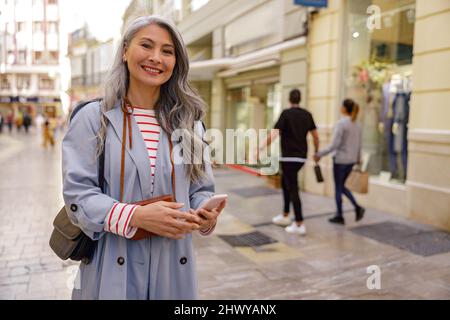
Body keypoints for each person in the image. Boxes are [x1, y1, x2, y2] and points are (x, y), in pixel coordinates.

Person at [62, 16, 226, 300]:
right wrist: (137, 216)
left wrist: (204, 214)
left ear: (176, 62)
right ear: (125, 51)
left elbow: (199, 190)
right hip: (112, 268)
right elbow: (78, 195)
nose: (156, 58)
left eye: (167, 51)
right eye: (146, 45)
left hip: (174, 270)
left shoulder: (191, 124)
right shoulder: (92, 118)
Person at [259, 89, 319, 235]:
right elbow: (315, 136)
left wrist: (260, 147)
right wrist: (317, 152)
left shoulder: (286, 114)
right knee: (286, 184)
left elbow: (274, 134)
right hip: (301, 158)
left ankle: (299, 223)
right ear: (300, 99)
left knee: (292, 188)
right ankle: (285, 215)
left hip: (288, 157)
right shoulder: (307, 114)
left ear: (289, 99)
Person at [314, 98, 365, 224]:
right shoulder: (357, 124)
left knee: (338, 188)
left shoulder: (341, 124)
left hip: (341, 161)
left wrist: (319, 154)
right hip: (351, 160)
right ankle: (355, 208)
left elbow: (334, 145)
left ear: (344, 108)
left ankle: (341, 215)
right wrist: (358, 158)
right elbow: (359, 144)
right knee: (342, 187)